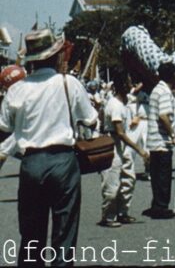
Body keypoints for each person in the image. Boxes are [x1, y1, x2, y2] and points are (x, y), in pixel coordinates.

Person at [0, 28, 98, 265]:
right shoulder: (69, 84)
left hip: (31, 162)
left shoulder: (16, 89)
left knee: (31, 234)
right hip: (63, 161)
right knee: (64, 232)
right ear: (55, 56)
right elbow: (91, 119)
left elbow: (4, 129)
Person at [100, 73, 150, 227]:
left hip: (123, 147)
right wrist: (140, 150)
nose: (130, 86)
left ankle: (123, 212)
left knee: (128, 179)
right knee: (112, 183)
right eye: (128, 83)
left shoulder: (124, 104)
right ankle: (108, 216)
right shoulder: (115, 105)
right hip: (114, 145)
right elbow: (120, 132)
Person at [144, 61, 175, 219]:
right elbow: (164, 115)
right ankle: (161, 207)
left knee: (156, 174)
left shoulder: (156, 90)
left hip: (153, 138)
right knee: (164, 175)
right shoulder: (165, 92)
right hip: (162, 139)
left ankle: (156, 204)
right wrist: (174, 135)